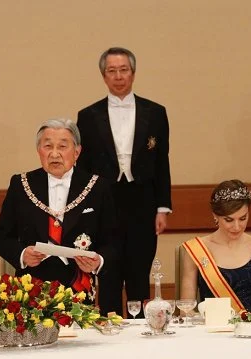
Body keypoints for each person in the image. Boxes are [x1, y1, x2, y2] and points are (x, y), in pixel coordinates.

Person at [76, 46, 172, 315]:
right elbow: (83, 168)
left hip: (142, 199)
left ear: (133, 73)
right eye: (112, 71)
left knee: (139, 271)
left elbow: (162, 161)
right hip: (105, 200)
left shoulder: (155, 112)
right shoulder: (88, 116)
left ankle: (143, 330)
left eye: (124, 70)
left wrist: (162, 207)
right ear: (104, 76)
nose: (118, 76)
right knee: (107, 271)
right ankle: (109, 326)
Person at [0, 118, 117, 305]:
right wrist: (22, 254)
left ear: (77, 152)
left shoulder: (97, 187)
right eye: (48, 146)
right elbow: (1, 238)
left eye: (62, 146)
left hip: (79, 289)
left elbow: (113, 241)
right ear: (38, 151)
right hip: (30, 291)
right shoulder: (21, 184)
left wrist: (98, 260)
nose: (54, 154)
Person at [180, 180, 251, 313]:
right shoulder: (196, 249)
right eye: (229, 220)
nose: (237, 227)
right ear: (215, 216)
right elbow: (186, 311)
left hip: (249, 330)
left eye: (243, 218)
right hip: (209, 331)